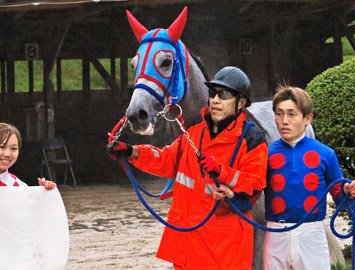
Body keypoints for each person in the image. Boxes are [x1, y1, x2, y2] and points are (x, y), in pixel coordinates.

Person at [107, 66, 268, 269]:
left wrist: (221, 173)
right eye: (213, 93)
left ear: (241, 102)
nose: (216, 100)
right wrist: (132, 152)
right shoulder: (195, 132)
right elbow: (167, 159)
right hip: (189, 243)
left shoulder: (251, 139)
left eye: (224, 94)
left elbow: (254, 182)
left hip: (225, 248)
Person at [263, 85, 355, 270]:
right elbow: (249, 193)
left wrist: (349, 192)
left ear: (307, 118)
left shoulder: (325, 154)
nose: (284, 121)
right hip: (275, 233)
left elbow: (339, 197)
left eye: (291, 114)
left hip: (311, 233)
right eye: (279, 113)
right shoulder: (265, 154)